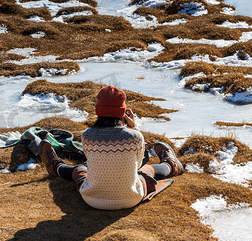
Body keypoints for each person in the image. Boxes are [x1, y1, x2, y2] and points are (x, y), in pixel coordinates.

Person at [39, 85, 183, 210]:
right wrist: (135, 128)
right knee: (146, 170)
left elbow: (91, 162)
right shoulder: (134, 137)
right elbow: (137, 164)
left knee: (80, 170)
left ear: (98, 110)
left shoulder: (87, 135)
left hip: (92, 200)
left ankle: (55, 165)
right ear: (123, 112)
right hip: (131, 198)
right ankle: (171, 165)